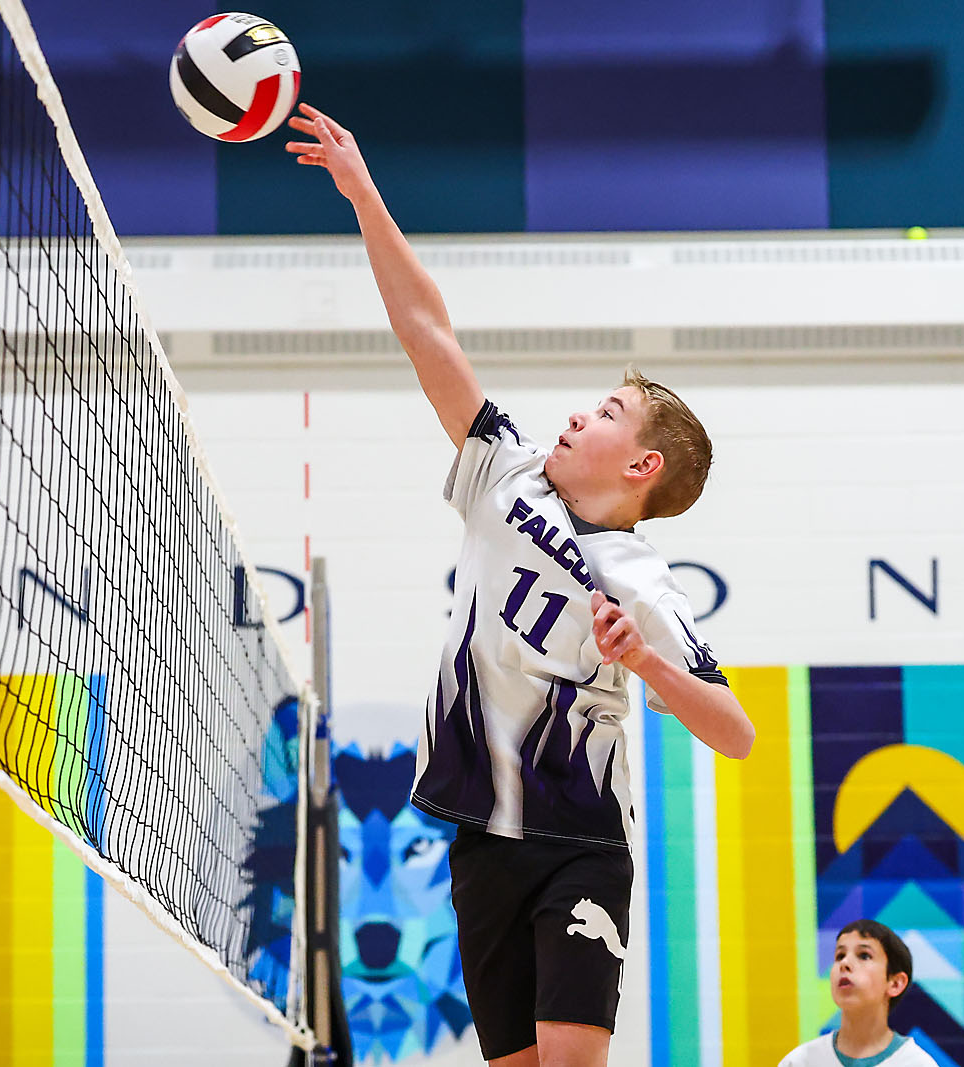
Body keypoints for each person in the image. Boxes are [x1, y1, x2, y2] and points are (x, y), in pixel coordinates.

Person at [287, 105, 755, 1067]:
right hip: (481, 840)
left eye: (610, 412)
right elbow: (429, 333)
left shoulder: (639, 581)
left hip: (579, 842)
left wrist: (645, 664)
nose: (581, 414)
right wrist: (362, 191)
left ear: (643, 469)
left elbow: (735, 731)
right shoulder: (508, 474)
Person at [779, 920, 939, 1067]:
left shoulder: (917, 1063)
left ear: (895, 983)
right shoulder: (799, 1061)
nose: (845, 963)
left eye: (864, 955)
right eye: (840, 956)